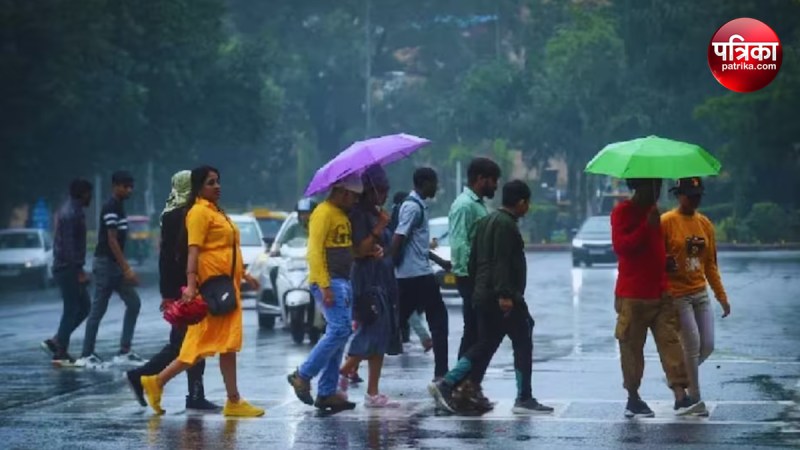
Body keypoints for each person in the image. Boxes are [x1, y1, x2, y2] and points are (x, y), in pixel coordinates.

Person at [141, 166, 263, 417]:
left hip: (227, 288)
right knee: (196, 347)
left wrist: (245, 275)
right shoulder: (198, 213)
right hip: (211, 292)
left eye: (218, 181)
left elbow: (228, 250)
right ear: (198, 187)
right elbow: (193, 252)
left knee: (226, 345)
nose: (217, 186)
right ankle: (156, 382)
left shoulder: (215, 211)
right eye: (210, 182)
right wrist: (192, 286)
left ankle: (233, 400)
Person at [429, 181, 553, 415]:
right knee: (522, 339)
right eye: (528, 203)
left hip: (483, 294)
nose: (528, 208)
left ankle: (447, 383)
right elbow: (502, 262)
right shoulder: (506, 226)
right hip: (502, 297)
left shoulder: (485, 222)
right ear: (521, 203)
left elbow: (475, 261)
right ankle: (524, 398)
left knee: (485, 344)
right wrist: (506, 295)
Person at [126, 170, 219, 412]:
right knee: (183, 345)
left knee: (190, 343)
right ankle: (142, 377)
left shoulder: (187, 211)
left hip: (191, 285)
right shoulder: (177, 215)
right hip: (183, 288)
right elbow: (167, 258)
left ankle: (195, 395)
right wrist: (169, 295)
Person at [611, 178, 701, 418]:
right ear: (637, 187)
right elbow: (622, 247)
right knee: (631, 348)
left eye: (659, 187)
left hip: (660, 292)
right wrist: (645, 228)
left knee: (671, 344)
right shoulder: (623, 212)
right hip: (632, 295)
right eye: (652, 186)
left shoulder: (654, 212)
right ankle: (633, 397)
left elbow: (656, 249)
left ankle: (681, 396)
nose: (656, 192)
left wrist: (666, 265)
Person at [288, 174, 362, 411]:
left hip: (343, 281)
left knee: (340, 335)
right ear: (342, 192)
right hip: (329, 281)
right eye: (354, 197)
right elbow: (315, 252)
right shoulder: (322, 212)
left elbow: (346, 249)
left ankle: (327, 392)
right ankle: (303, 374)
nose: (355, 201)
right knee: (339, 330)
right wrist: (324, 285)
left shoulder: (342, 215)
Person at [662, 177, 730, 417]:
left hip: (699, 292)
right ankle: (694, 398)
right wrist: (663, 263)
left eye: (698, 195)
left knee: (707, 345)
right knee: (691, 345)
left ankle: (679, 374)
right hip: (677, 295)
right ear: (679, 195)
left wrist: (721, 296)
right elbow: (654, 257)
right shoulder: (667, 222)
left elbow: (710, 263)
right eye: (690, 195)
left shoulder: (705, 224)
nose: (695, 199)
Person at [337, 165, 401, 408]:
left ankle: (372, 392)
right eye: (381, 190)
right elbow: (359, 250)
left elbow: (380, 247)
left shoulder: (377, 213)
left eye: (387, 190)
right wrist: (379, 227)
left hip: (383, 279)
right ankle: (342, 373)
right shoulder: (359, 215)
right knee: (370, 329)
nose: (385, 195)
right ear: (370, 190)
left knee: (382, 333)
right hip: (366, 281)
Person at [76, 171, 144, 368]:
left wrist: (122, 267)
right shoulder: (111, 206)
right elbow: (111, 240)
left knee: (134, 303)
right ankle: (86, 354)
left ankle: (125, 350)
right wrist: (127, 268)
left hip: (114, 265)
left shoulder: (119, 206)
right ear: (115, 186)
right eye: (125, 186)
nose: (129, 190)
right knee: (98, 309)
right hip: (106, 263)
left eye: (131, 186)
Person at [390, 167, 451, 381]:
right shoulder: (412, 207)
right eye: (435, 182)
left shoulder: (417, 206)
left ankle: (356, 361)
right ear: (424, 183)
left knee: (396, 322)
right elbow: (399, 237)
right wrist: (390, 267)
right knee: (438, 321)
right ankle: (441, 374)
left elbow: (417, 246)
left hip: (413, 275)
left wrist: (441, 261)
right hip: (416, 276)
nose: (437, 187)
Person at [448, 157, 501, 359]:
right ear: (481, 179)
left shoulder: (476, 204)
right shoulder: (464, 206)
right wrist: (467, 275)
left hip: (477, 276)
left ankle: (463, 383)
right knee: (475, 331)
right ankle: (456, 383)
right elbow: (460, 242)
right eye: (493, 180)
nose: (496, 186)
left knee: (476, 331)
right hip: (471, 277)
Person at [42, 179, 93, 366]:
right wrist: (78, 269)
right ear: (83, 193)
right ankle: (58, 348)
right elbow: (70, 246)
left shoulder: (69, 210)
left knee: (82, 307)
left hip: (64, 267)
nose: (91, 197)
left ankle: (58, 343)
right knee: (73, 308)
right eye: (89, 193)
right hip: (68, 268)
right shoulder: (72, 213)